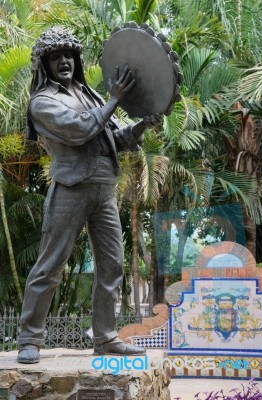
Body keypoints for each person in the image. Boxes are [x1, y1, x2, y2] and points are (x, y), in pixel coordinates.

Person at [17, 28, 159, 363]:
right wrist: (114, 99)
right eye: (55, 57)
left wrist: (141, 126)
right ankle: (29, 339)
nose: (64, 61)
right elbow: (82, 129)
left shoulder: (90, 94)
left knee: (112, 265)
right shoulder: (42, 102)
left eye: (68, 55)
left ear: (76, 59)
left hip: (103, 187)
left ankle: (106, 337)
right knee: (50, 266)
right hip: (70, 187)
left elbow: (115, 139)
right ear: (45, 65)